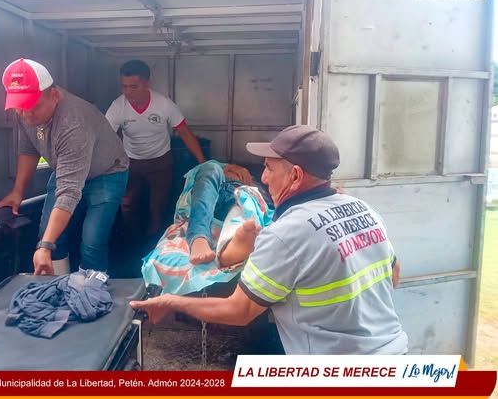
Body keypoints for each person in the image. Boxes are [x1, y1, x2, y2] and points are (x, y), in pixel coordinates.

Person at [131, 125, 408, 355]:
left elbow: (240, 310)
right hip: (395, 354)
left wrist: (171, 302)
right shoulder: (363, 209)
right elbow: (393, 275)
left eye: (269, 169)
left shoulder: (286, 233)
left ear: (295, 175)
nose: (263, 177)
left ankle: (225, 244)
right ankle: (226, 243)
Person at [0, 58, 129, 276]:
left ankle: (90, 290)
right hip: (66, 171)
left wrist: (45, 246)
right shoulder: (26, 113)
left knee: (92, 241)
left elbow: (69, 192)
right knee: (48, 232)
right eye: (20, 107)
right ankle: (56, 286)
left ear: (54, 95)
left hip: (106, 173)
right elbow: (29, 148)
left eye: (33, 106)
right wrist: (18, 192)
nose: (26, 115)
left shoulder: (74, 123)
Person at [105, 60, 206, 248]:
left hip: (161, 161)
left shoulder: (164, 104)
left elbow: (185, 133)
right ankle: (132, 243)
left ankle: (154, 241)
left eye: (134, 86)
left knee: (158, 205)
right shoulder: (118, 106)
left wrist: (203, 163)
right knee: (128, 204)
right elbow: (105, 136)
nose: (128, 92)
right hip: (131, 161)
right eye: (124, 86)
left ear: (147, 84)